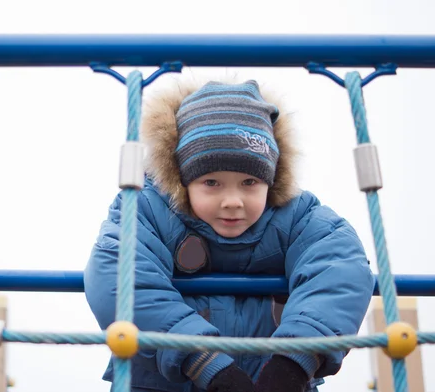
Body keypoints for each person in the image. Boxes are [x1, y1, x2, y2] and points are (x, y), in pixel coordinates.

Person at [83, 76, 374, 392]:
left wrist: (294, 361)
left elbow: (340, 267)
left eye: (250, 182)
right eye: (211, 183)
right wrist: (201, 360)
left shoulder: (295, 215)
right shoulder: (149, 209)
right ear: (182, 179)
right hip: (165, 384)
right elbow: (116, 276)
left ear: (271, 179)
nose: (233, 201)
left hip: (276, 381)